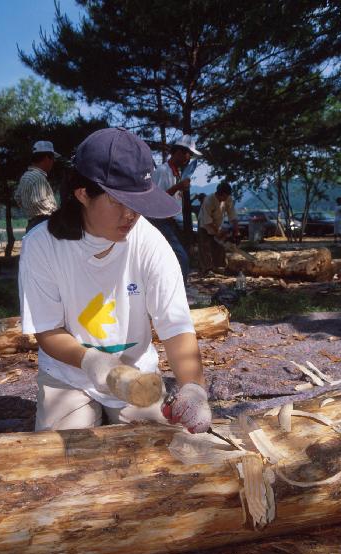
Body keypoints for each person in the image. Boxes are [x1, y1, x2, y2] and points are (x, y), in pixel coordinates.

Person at [19, 127, 211, 434]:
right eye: (118, 201)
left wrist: (194, 389)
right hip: (69, 374)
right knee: (65, 459)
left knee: (169, 447)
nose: (131, 215)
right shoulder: (42, 245)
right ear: (82, 194)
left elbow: (175, 328)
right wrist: (92, 362)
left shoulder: (150, 244)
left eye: (137, 202)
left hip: (135, 376)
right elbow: (47, 330)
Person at [148, 135, 202, 284]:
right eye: (187, 154)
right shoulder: (163, 171)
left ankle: (172, 287)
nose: (188, 158)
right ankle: (182, 290)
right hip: (160, 220)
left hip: (171, 221)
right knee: (181, 256)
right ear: (178, 152)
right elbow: (156, 200)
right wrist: (178, 187)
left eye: (190, 155)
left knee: (174, 256)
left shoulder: (176, 172)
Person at [15, 140, 60, 233]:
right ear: (47, 158)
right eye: (52, 159)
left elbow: (18, 198)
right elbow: (39, 201)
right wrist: (57, 214)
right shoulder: (38, 177)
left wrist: (30, 210)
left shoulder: (25, 176)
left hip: (32, 223)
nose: (53, 162)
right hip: (44, 223)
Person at [198, 181, 239, 274]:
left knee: (219, 245)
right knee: (205, 246)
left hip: (217, 223)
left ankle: (219, 266)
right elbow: (207, 220)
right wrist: (218, 230)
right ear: (221, 193)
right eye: (226, 195)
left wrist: (236, 230)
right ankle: (206, 268)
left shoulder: (228, 199)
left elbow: (232, 215)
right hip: (205, 225)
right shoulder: (208, 200)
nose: (227, 197)